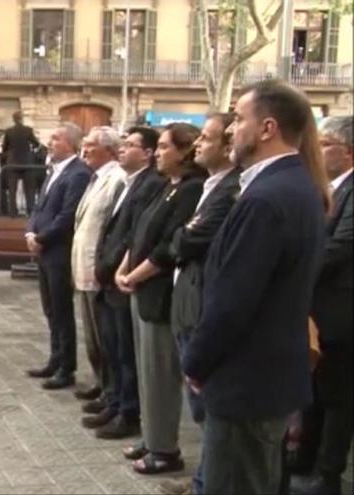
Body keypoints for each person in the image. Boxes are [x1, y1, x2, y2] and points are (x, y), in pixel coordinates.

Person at [182, 80, 329, 495]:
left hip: (246, 383)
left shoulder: (267, 198)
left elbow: (233, 300)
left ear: (267, 128)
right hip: (265, 380)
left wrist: (196, 360)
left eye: (238, 119)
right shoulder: (295, 186)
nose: (230, 129)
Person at [115, 123, 206, 475]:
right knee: (145, 371)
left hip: (160, 291)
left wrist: (134, 274)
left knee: (161, 373)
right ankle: (152, 437)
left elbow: (169, 245)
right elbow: (140, 233)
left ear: (185, 152)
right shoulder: (165, 187)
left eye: (166, 146)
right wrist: (126, 267)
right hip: (141, 287)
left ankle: (164, 448)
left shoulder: (191, 189)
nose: (159, 152)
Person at [161, 113, 240, 495]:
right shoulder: (211, 186)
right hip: (187, 302)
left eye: (206, 138)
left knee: (208, 406)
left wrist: (184, 235)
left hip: (204, 306)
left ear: (228, 146)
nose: (198, 146)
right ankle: (203, 480)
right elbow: (183, 237)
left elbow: (188, 242)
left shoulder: (232, 190)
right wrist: (184, 235)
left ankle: (209, 483)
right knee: (199, 408)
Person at [92, 127, 165, 441]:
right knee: (112, 345)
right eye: (122, 144)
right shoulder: (129, 182)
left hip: (123, 278)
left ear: (147, 154)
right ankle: (116, 400)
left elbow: (134, 235)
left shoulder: (151, 184)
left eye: (131, 145)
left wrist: (112, 268)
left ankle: (128, 412)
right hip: (111, 278)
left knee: (126, 353)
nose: (123, 149)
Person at [299, 116, 352, 495]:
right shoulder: (323, 188)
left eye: (327, 144)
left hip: (341, 311)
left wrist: (293, 266)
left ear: (349, 152)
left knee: (339, 396)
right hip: (316, 308)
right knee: (315, 392)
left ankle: (328, 474)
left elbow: (340, 247)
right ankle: (305, 457)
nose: (317, 151)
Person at [24, 123, 92, 390]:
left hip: (58, 252)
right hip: (43, 250)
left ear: (72, 144)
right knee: (50, 309)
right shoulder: (53, 171)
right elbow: (39, 208)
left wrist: (41, 238)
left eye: (56, 138)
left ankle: (67, 367)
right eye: (50, 137)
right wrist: (30, 233)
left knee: (62, 310)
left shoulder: (78, 174)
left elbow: (67, 216)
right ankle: (54, 359)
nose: (50, 142)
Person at [70, 126, 126, 427]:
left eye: (91, 145)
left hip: (97, 269)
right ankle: (103, 386)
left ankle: (111, 393)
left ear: (108, 149)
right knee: (92, 337)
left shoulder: (115, 179)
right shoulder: (95, 179)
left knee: (105, 340)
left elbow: (111, 229)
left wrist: (104, 265)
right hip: (82, 267)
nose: (85, 149)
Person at [2, 111, 41, 216]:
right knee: (29, 189)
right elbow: (36, 144)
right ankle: (30, 210)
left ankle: (13, 212)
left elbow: (4, 147)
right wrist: (31, 151)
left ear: (13, 119)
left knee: (12, 189)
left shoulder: (9, 131)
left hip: (12, 162)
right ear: (21, 119)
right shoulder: (28, 130)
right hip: (26, 162)